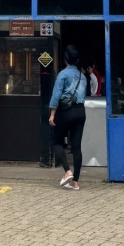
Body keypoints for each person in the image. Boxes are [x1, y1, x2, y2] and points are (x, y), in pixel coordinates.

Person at [48, 44, 87, 191]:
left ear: (66, 59)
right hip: (80, 112)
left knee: (57, 141)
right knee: (76, 147)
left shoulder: (63, 75)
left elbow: (56, 95)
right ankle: (75, 182)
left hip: (66, 112)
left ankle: (67, 172)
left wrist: (52, 114)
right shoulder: (83, 76)